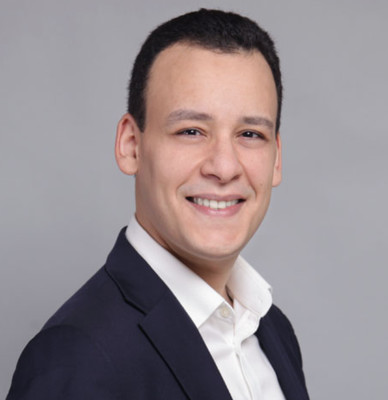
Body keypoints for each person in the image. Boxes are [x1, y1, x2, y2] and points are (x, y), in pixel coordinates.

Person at [7, 9, 309, 400]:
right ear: (131, 146)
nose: (224, 167)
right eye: (191, 131)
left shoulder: (273, 331)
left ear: (277, 159)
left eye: (250, 134)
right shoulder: (76, 357)